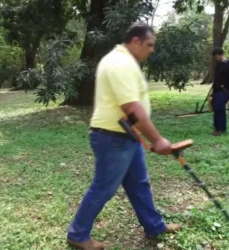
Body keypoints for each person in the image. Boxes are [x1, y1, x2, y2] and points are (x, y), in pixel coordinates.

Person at [66, 22, 181, 250]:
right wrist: (157, 140)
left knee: (139, 184)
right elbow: (131, 107)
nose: (152, 49)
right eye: (149, 44)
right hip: (112, 138)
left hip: (127, 136)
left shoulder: (125, 61)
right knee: (103, 188)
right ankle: (78, 235)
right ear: (135, 41)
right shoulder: (119, 63)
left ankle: (154, 226)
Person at [211, 47, 229, 136]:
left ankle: (222, 129)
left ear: (221, 54)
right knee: (216, 109)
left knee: (220, 108)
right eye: (215, 57)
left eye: (217, 57)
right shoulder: (218, 64)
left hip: (225, 90)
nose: (216, 59)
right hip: (216, 90)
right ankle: (216, 127)